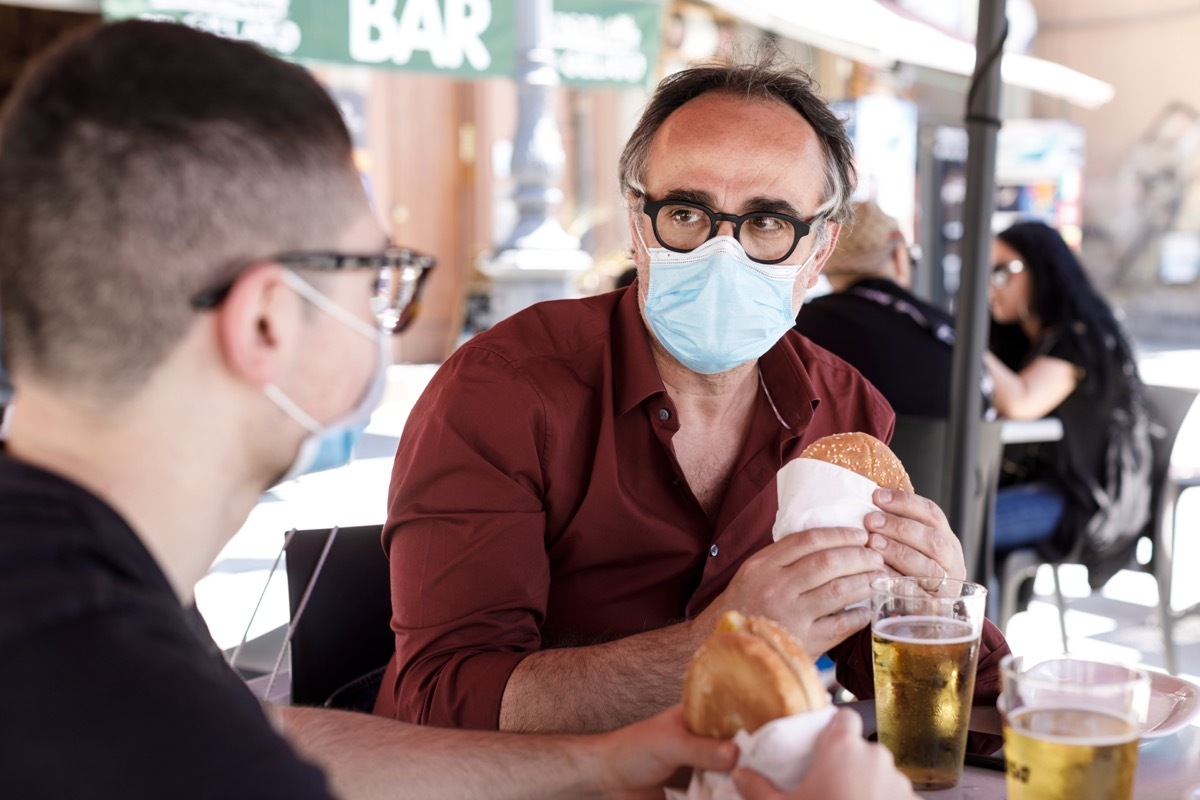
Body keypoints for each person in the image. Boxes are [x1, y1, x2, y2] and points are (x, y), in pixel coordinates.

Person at [0, 20, 754, 799]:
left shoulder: (82, 603)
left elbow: (261, 728)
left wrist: (596, 761)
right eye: (375, 277)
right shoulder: (120, 702)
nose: (381, 315)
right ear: (268, 319)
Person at [375, 48, 1010, 736]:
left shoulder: (844, 410)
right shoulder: (504, 391)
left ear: (821, 248)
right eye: (686, 213)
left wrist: (934, 604)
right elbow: (443, 704)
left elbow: (895, 677)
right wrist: (719, 643)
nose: (722, 252)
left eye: (768, 222)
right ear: (637, 221)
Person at [985, 221, 1151, 587]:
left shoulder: (1079, 340)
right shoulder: (1024, 344)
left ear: (1041, 270)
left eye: (1000, 272)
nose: (989, 286)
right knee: (950, 516)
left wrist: (964, 340)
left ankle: (980, 642)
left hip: (1082, 501)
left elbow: (1020, 402)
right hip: (1040, 487)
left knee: (964, 523)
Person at [794, 200, 958, 417]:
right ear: (900, 256)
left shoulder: (798, 327)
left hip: (834, 450)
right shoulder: (944, 330)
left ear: (823, 261)